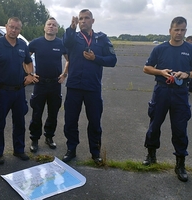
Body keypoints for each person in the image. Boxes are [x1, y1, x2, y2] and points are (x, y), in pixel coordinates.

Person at [142, 16, 192, 182]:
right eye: (176, 29)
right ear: (170, 30)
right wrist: (161, 72)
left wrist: (187, 74)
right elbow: (146, 68)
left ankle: (180, 163)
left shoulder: (191, 49)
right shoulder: (160, 49)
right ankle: (151, 154)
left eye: (183, 30)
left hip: (180, 93)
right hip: (161, 91)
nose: (179, 33)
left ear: (186, 31)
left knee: (180, 128)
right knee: (154, 125)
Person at [61, 9, 117, 165]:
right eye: (80, 19)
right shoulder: (73, 37)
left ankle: (95, 152)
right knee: (70, 120)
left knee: (94, 121)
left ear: (93, 20)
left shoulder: (102, 38)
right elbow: (65, 44)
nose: (83, 21)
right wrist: (71, 28)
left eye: (86, 18)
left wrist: (95, 58)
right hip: (74, 87)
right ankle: (71, 149)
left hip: (92, 87)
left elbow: (112, 60)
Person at [0, 17, 35, 164]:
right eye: (11, 27)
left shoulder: (22, 45)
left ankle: (19, 150)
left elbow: (28, 61)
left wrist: (30, 75)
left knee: (19, 122)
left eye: (17, 28)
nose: (13, 30)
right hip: (2, 92)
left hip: (19, 91)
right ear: (6, 27)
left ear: (20, 30)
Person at [28, 17, 68, 153]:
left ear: (57, 29)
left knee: (53, 113)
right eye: (49, 24)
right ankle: (34, 139)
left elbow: (69, 60)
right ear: (44, 28)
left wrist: (64, 74)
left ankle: (49, 137)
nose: (51, 27)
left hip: (55, 84)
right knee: (37, 112)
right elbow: (25, 59)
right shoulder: (36, 43)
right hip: (40, 83)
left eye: (54, 25)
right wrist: (30, 74)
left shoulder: (61, 44)